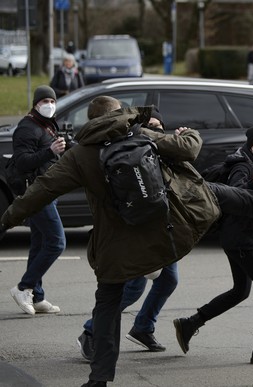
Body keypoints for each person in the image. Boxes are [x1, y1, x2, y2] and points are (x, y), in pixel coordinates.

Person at [1, 101, 221, 387]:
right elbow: (187, 148)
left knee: (107, 306)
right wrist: (192, 133)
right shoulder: (139, 135)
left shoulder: (79, 155)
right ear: (118, 113)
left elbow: (41, 190)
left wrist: (6, 221)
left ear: (90, 120)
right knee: (225, 203)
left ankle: (99, 378)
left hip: (114, 245)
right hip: (155, 232)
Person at [76, 102, 180, 360]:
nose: (157, 130)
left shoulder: (156, 145)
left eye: (160, 127)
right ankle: (91, 332)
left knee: (168, 279)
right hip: (140, 228)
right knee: (132, 288)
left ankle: (143, 326)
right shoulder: (133, 149)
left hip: (162, 227)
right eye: (152, 126)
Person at [173, 125, 253, 364]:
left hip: (242, 237)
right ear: (249, 146)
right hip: (242, 238)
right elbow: (235, 196)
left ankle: (190, 324)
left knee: (240, 291)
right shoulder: (242, 166)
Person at [9, 85, 66, 316]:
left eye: (52, 100)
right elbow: (22, 161)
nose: (49, 105)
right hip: (36, 192)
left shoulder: (46, 125)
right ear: (35, 104)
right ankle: (23, 287)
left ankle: (37, 295)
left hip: (49, 190)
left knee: (40, 243)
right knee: (56, 242)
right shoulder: (26, 128)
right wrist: (51, 151)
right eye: (44, 101)